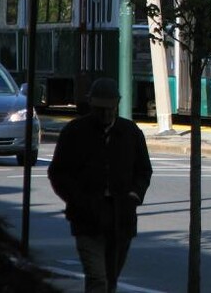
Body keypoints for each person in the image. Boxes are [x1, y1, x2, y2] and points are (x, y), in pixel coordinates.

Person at [48, 78, 153, 293]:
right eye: (100, 109)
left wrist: (134, 194)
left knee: (110, 279)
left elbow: (143, 170)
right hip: (87, 218)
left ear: (117, 106)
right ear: (91, 106)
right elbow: (58, 172)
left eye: (110, 109)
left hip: (121, 218)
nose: (105, 115)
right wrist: (77, 200)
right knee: (97, 278)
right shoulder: (75, 132)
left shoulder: (130, 133)